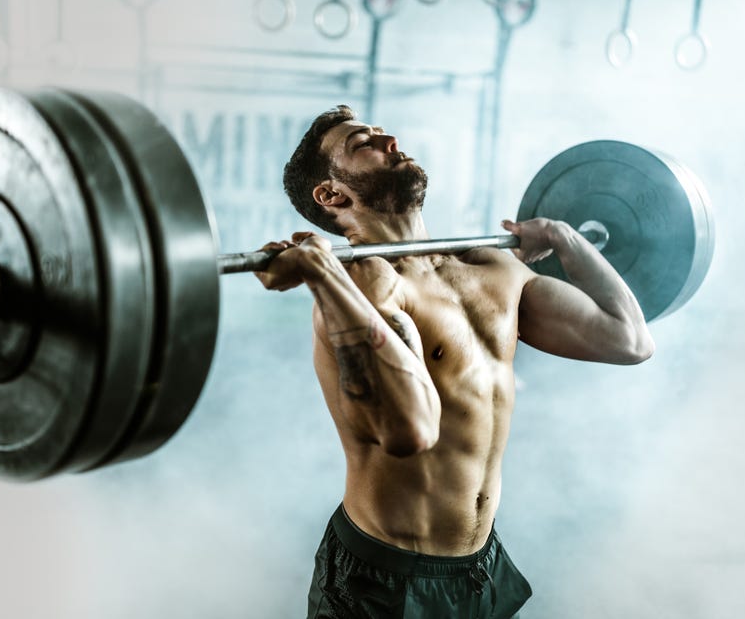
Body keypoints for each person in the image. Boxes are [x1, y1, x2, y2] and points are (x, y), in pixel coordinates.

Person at [256, 105, 654, 619]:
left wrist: (563, 237)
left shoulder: (492, 268)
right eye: (362, 143)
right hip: (384, 582)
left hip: (476, 571)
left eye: (381, 132)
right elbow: (410, 430)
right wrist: (323, 276)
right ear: (333, 195)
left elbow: (628, 339)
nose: (389, 140)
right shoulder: (367, 288)